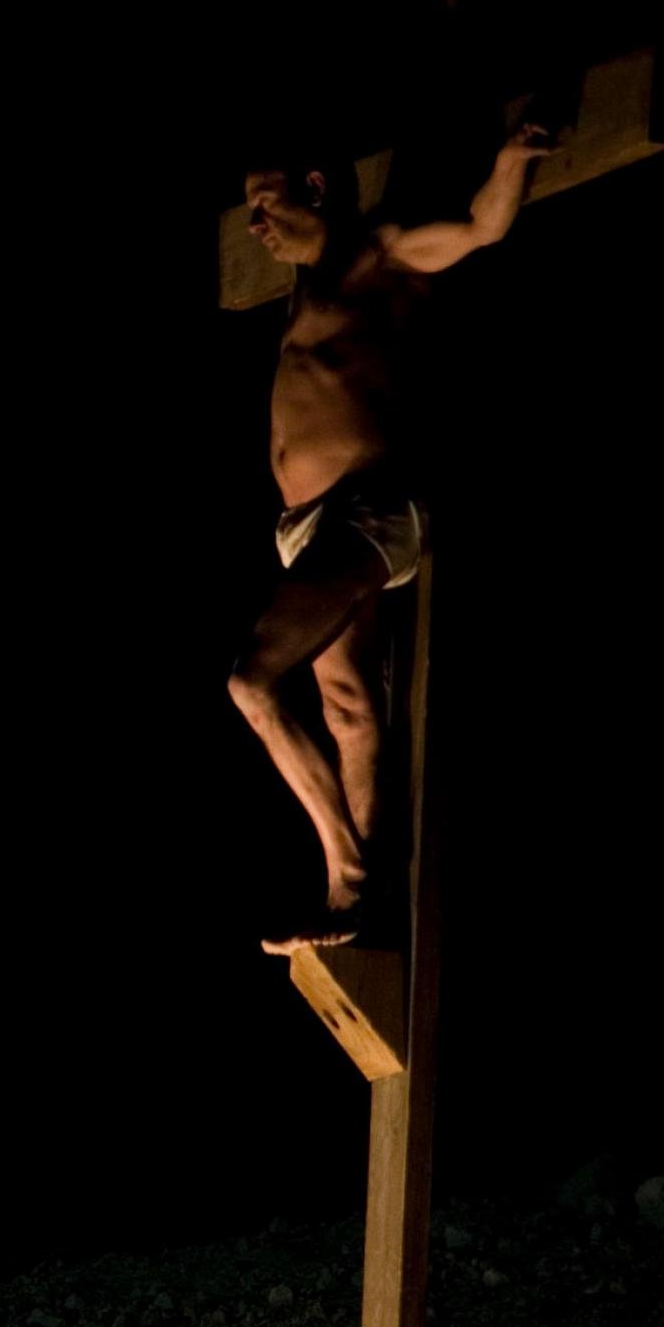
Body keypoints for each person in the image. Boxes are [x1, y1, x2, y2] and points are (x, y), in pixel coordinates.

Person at [232, 121, 554, 950]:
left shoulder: (378, 254)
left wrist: (512, 159)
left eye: (263, 204)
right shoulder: (304, 285)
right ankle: (356, 911)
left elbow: (481, 228)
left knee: (255, 683)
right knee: (346, 707)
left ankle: (349, 877)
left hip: (366, 511)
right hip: (306, 529)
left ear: (314, 184)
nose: (255, 225)